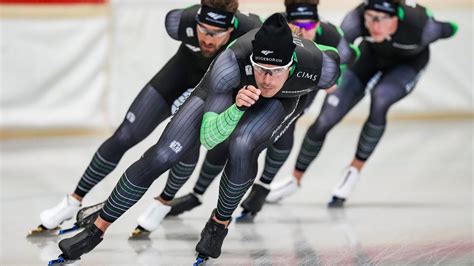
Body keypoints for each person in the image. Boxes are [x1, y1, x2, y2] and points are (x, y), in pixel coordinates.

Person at [51, 13, 340, 264]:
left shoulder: (319, 66)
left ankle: (218, 224)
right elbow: (210, 137)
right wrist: (237, 107)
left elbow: (334, 53)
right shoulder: (230, 63)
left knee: (242, 146)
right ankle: (95, 229)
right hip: (232, 91)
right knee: (162, 155)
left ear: (291, 66)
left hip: (283, 102)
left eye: (275, 72)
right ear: (252, 60)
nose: (266, 80)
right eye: (261, 69)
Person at [32, 0, 261, 235]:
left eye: (216, 34)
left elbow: (280, 51)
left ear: (232, 28)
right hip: (179, 75)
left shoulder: (252, 31)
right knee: (125, 134)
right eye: (202, 30)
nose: (208, 39)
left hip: (212, 90)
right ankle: (72, 201)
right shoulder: (179, 22)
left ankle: (162, 203)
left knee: (185, 147)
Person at [150, 0, 358, 224]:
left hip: (296, 89)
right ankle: (198, 194)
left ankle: (263, 186)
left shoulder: (330, 35)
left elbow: (350, 55)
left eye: (309, 26)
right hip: (266, 83)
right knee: (227, 139)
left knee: (278, 134)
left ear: (319, 22)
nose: (303, 31)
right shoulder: (277, 27)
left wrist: (337, 76)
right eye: (296, 24)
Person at [266, 0, 458, 207]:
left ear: (397, 17)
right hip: (369, 57)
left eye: (381, 20)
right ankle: (295, 180)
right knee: (325, 120)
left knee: (381, 98)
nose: (374, 26)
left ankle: (354, 170)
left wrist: (429, 15)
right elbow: (340, 51)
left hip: (407, 65)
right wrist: (333, 79)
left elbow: (451, 28)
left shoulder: (422, 26)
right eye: (369, 18)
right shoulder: (355, 20)